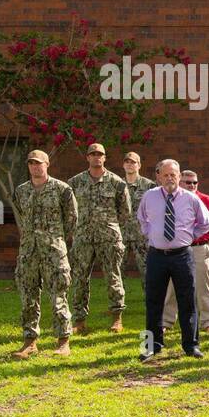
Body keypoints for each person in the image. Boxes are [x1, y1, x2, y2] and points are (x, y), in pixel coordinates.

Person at [137, 159, 209, 360]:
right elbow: (142, 220)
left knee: (187, 301)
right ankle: (150, 346)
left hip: (182, 255)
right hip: (157, 256)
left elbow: (206, 222)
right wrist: (153, 235)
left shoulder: (190, 199)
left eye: (174, 175)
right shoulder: (149, 196)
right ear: (158, 177)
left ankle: (191, 345)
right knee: (153, 301)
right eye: (166, 174)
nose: (170, 178)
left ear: (179, 177)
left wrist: (189, 236)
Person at [11, 149, 77, 358]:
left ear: (47, 164)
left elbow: (72, 220)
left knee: (58, 295)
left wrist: (55, 240)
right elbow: (22, 217)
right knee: (28, 296)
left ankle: (63, 341)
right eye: (31, 163)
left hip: (54, 252)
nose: (35, 166)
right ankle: (30, 342)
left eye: (39, 163)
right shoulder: (21, 191)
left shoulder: (62, 189)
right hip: (29, 252)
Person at [68, 142, 132, 334]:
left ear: (105, 158)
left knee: (113, 276)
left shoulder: (117, 183)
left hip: (109, 238)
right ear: (87, 157)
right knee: (79, 278)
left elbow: (125, 212)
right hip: (83, 238)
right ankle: (79, 320)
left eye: (100, 154)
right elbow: (69, 210)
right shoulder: (75, 182)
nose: (96, 157)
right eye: (93, 154)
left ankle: (117, 318)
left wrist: (108, 225)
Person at [162, 170, 209, 334]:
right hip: (176, 249)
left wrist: (206, 241)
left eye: (195, 182)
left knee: (204, 286)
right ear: (180, 182)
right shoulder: (171, 200)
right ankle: (167, 321)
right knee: (172, 286)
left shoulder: (206, 200)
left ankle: (208, 321)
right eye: (188, 182)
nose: (192, 185)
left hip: (198, 248)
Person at [120, 151, 155, 276]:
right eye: (127, 162)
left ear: (139, 165)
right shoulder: (117, 185)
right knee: (118, 271)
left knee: (147, 271)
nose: (130, 165)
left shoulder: (150, 186)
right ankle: (119, 296)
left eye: (133, 162)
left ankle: (150, 296)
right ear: (123, 165)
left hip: (142, 236)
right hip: (121, 234)